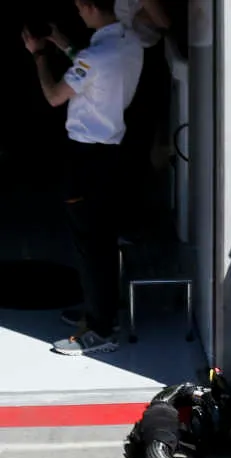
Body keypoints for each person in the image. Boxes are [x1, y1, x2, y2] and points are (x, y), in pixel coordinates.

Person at [22, 0, 144, 357]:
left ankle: (100, 329)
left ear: (91, 6)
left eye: (79, 6)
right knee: (101, 239)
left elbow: (55, 96)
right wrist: (65, 46)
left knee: (91, 246)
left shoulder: (94, 56)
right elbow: (95, 70)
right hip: (110, 152)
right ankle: (101, 311)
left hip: (85, 157)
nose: (77, 12)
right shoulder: (129, 42)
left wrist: (39, 54)